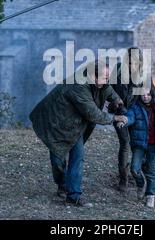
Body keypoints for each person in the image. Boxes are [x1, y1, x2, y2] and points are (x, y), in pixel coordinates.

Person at [29, 60, 127, 207]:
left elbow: (107, 89)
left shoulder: (99, 81)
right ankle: (62, 184)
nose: (107, 81)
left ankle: (73, 195)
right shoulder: (78, 87)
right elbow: (93, 114)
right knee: (58, 159)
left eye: (108, 78)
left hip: (75, 125)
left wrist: (116, 100)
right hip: (57, 123)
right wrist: (115, 118)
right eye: (104, 78)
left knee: (78, 156)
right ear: (93, 76)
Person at [119, 82, 155, 208]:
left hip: (154, 145)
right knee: (134, 169)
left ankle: (150, 196)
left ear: (153, 94)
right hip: (139, 144)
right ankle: (141, 184)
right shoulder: (135, 107)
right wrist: (124, 121)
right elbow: (130, 117)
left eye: (148, 94)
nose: (145, 97)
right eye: (143, 95)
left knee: (151, 173)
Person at [109, 47, 143, 192]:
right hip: (119, 112)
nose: (131, 65)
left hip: (136, 114)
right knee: (125, 143)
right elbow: (107, 89)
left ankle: (137, 173)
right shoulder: (117, 71)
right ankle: (123, 178)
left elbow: (148, 95)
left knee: (138, 144)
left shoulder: (144, 75)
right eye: (129, 61)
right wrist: (114, 104)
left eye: (134, 62)